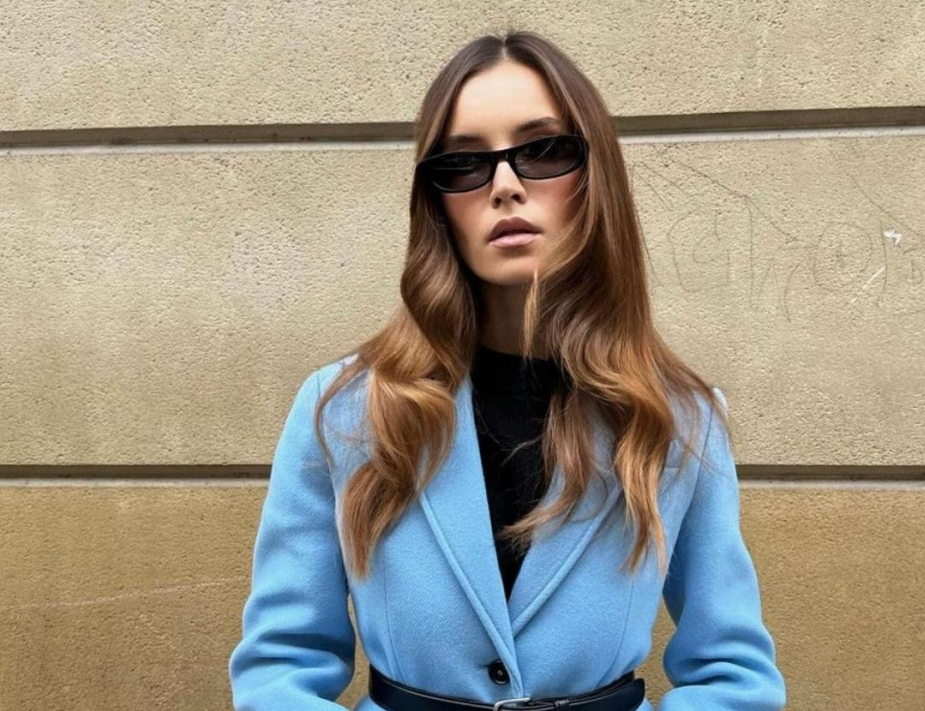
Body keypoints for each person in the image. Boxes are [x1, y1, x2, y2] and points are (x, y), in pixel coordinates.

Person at [228, 30, 786, 711]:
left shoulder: (679, 419)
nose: (505, 186)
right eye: (464, 163)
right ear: (436, 201)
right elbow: (279, 667)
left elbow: (733, 672)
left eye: (543, 150)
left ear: (594, 176)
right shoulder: (344, 409)